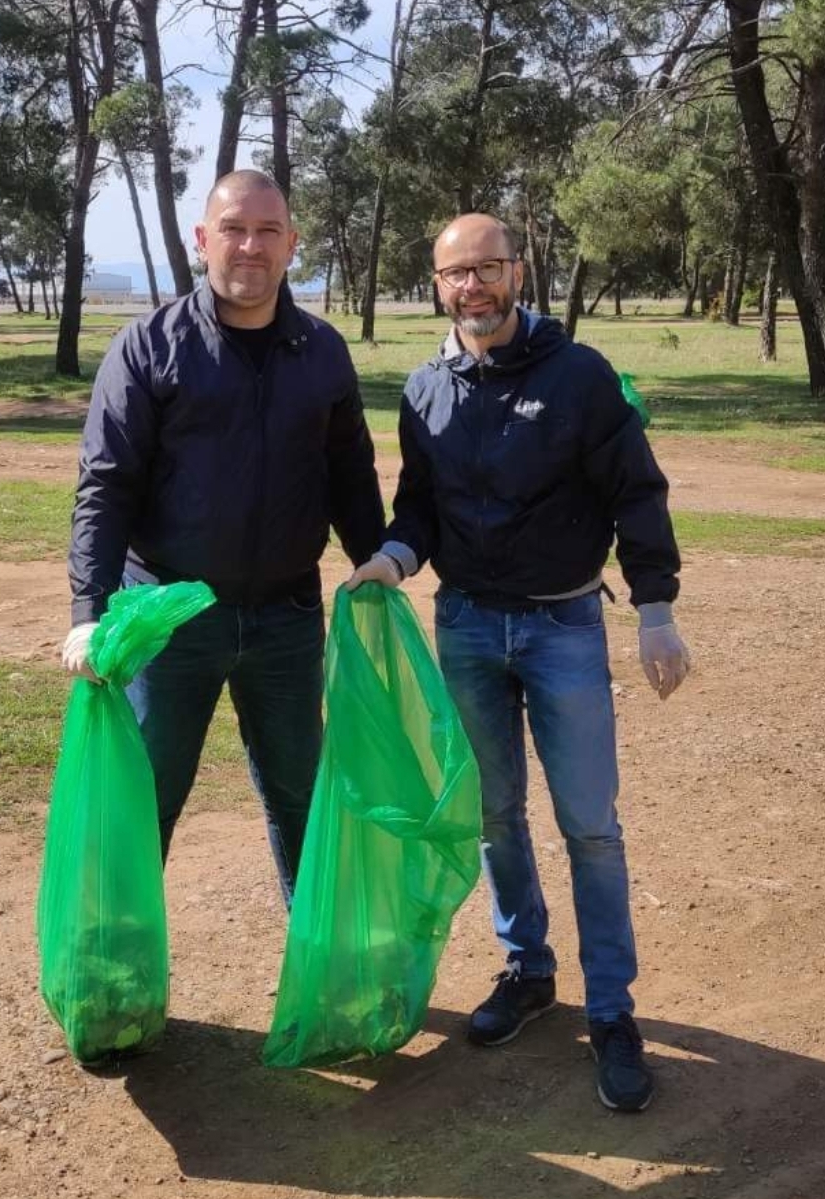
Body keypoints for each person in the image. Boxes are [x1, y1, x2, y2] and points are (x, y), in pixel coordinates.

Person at [348, 212, 690, 1112]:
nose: (474, 287)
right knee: (496, 815)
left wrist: (655, 611)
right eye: (456, 273)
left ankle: (613, 1010)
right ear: (438, 284)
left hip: (563, 628)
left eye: (488, 269)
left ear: (518, 271)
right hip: (463, 628)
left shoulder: (580, 376)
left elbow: (637, 494)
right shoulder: (424, 387)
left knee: (590, 826)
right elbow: (419, 506)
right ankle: (528, 968)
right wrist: (393, 557)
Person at [62, 170, 385, 904]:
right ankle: (116, 979)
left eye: (269, 231)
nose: (251, 245)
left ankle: (321, 975)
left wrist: (378, 558)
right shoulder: (148, 349)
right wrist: (88, 612)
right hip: (168, 617)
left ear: (292, 245)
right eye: (234, 229)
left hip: (287, 619)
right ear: (203, 239)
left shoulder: (322, 351)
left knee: (303, 801)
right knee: (144, 803)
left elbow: (348, 470)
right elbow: (105, 486)